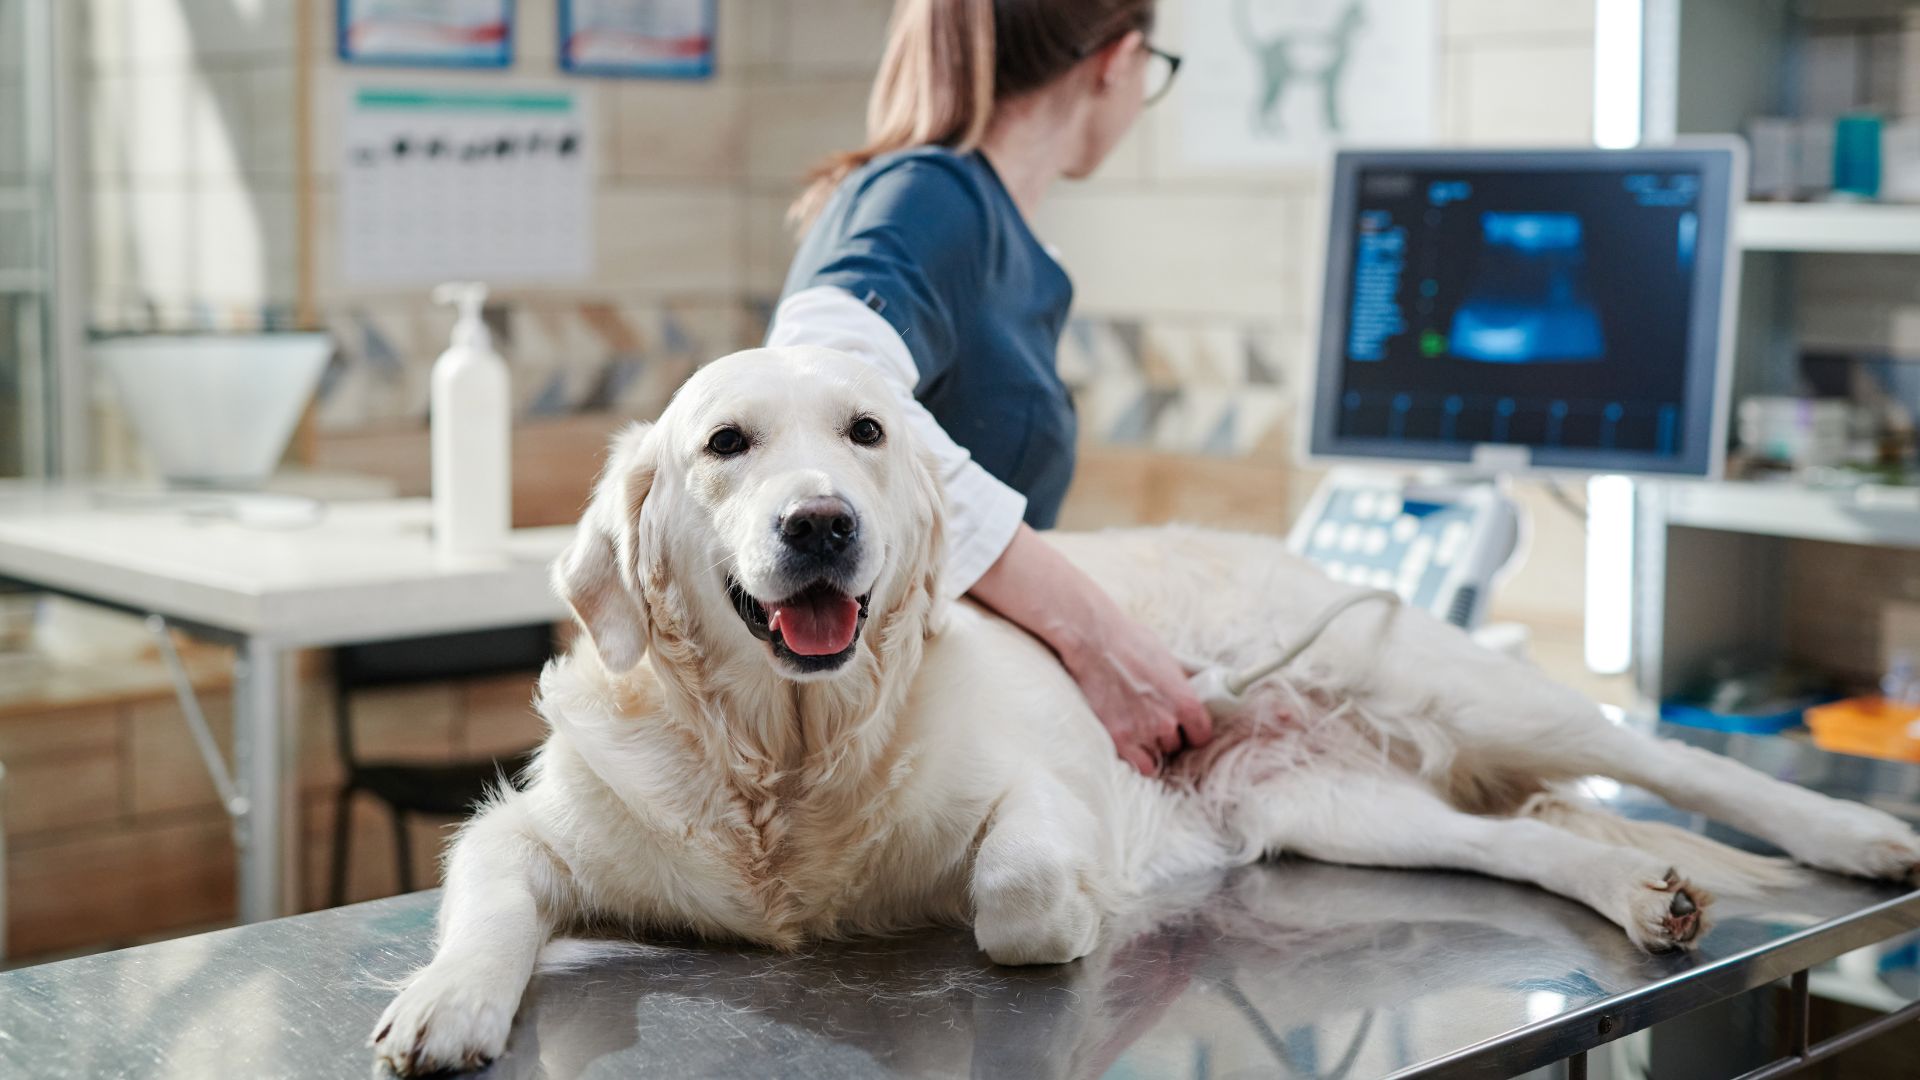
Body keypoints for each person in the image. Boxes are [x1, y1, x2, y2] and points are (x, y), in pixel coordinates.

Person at [766, 0, 1209, 775]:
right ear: (1119, 59)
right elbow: (815, 374)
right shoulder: (934, 194)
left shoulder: (971, 216)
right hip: (896, 757)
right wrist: (1097, 636)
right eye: (1154, 73)